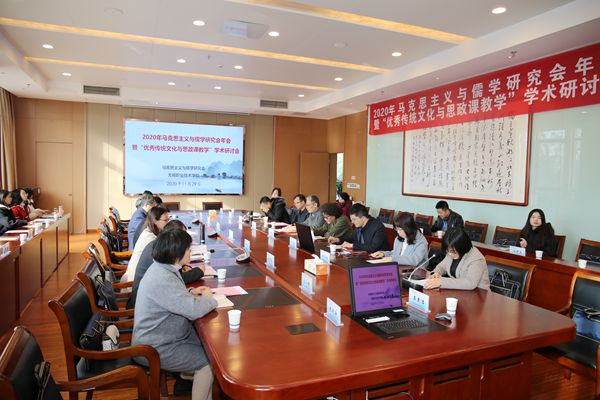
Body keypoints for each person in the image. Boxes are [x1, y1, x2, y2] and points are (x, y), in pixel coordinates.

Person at [132, 229, 216, 400]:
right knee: (208, 363)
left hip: (163, 336)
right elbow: (194, 310)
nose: (190, 251)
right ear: (178, 253)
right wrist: (210, 299)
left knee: (211, 351)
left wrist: (189, 292)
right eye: (188, 249)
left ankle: (189, 373)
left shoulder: (162, 268)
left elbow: (171, 297)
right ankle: (193, 373)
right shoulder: (163, 278)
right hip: (154, 346)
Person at [127, 219, 204, 309]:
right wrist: (198, 272)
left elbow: (171, 286)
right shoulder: (158, 252)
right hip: (139, 303)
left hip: (149, 302)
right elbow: (173, 281)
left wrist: (189, 291)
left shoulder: (160, 247)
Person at [423, 228, 490, 290]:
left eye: (452, 251)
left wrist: (441, 281)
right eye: (447, 251)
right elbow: (442, 266)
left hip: (479, 294)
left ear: (461, 247)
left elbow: (470, 283)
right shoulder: (451, 251)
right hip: (460, 292)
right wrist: (436, 273)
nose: (449, 254)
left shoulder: (476, 258)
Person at [122, 206, 169, 282]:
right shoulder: (150, 239)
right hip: (135, 282)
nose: (168, 223)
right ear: (155, 221)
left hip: (136, 277)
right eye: (165, 220)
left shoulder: (148, 231)